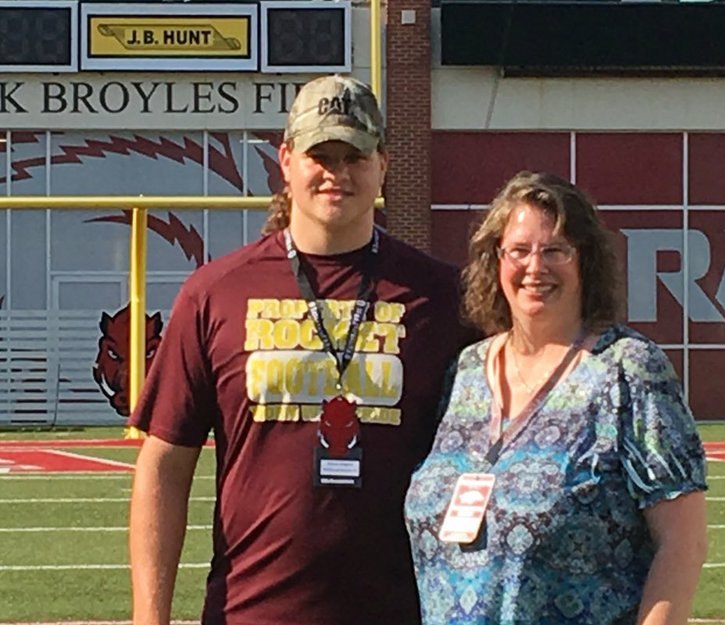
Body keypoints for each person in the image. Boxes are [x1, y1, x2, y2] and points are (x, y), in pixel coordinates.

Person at [128, 75, 475, 625]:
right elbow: (164, 464)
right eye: (321, 154)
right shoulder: (216, 291)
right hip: (251, 611)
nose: (337, 172)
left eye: (354, 155)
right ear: (286, 161)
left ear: (383, 164)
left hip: (403, 611)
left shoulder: (443, 296)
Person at [404, 172, 708, 625]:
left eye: (555, 250)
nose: (535, 267)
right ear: (496, 260)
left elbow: (682, 544)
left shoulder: (627, 370)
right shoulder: (463, 371)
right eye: (519, 251)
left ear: (585, 260)